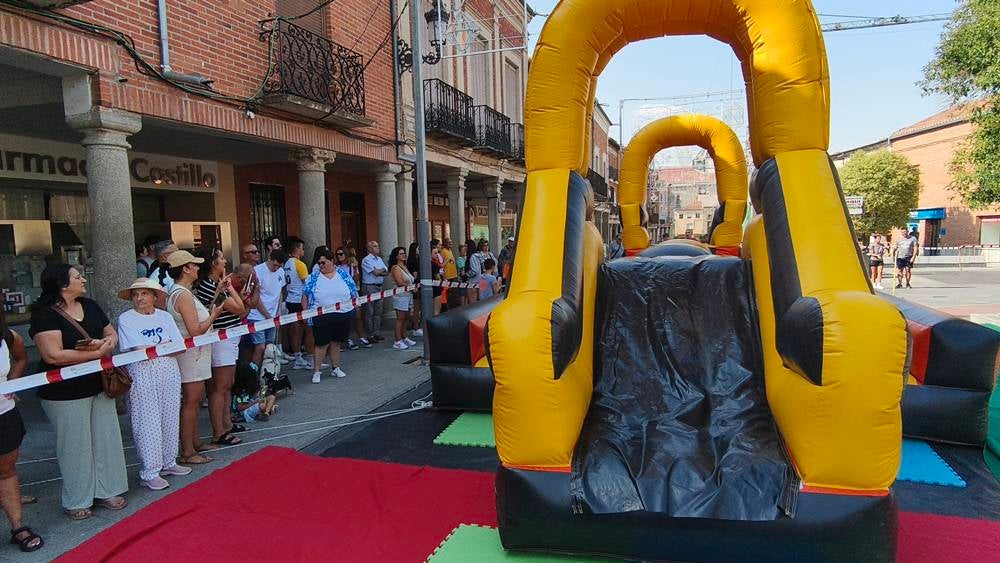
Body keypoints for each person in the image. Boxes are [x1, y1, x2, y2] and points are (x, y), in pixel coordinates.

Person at [29, 264, 127, 520]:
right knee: (75, 446)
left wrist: (106, 343)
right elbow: (52, 354)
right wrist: (95, 353)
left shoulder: (91, 305)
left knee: (106, 438)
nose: (83, 279)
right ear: (62, 284)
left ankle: (109, 489)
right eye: (77, 276)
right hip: (64, 391)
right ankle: (77, 498)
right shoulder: (44, 314)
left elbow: (111, 332)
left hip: (99, 384)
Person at [116, 278, 193, 491]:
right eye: (136, 294)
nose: (140, 298)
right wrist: (163, 346)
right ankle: (149, 470)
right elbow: (138, 350)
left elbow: (179, 346)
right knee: (147, 419)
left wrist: (159, 347)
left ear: (154, 296)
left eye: (144, 293)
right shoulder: (126, 319)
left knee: (169, 414)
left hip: (169, 369)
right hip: (142, 372)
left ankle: (169, 461)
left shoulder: (165, 317)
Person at [164, 250, 228, 464]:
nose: (198, 268)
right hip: (192, 354)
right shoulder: (181, 294)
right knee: (191, 401)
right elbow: (196, 330)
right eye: (194, 265)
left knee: (195, 399)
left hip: (195, 354)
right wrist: (215, 315)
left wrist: (215, 298)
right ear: (185, 268)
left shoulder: (181, 292)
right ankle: (188, 451)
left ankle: (195, 442)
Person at [0, 307, 43, 551]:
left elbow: (21, 358)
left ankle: (17, 527)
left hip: (4, 413)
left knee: (6, 469)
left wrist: (12, 384)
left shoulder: (8, 337)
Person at [194, 248, 247, 445]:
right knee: (220, 386)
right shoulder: (209, 286)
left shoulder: (215, 284)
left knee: (227, 384)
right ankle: (219, 431)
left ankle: (227, 424)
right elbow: (240, 308)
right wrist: (230, 287)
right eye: (221, 259)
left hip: (230, 337)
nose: (225, 261)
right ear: (213, 264)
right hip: (220, 338)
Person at [302, 248, 356, 383]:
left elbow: (353, 290)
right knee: (321, 344)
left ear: (332, 261)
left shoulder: (343, 274)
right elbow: (305, 296)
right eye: (319, 263)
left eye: (324, 263)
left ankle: (336, 368)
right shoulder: (313, 277)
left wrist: (355, 304)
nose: (321, 265)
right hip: (321, 316)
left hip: (343, 313)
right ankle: (317, 371)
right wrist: (305, 313)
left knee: (336, 342)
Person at [248, 249, 288, 371]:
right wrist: (267, 315)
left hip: (273, 314)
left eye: (279, 266)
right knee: (260, 346)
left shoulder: (280, 272)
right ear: (269, 259)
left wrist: (278, 311)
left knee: (270, 347)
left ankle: (268, 373)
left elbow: (280, 291)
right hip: (257, 315)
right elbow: (256, 297)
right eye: (274, 265)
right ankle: (253, 374)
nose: (276, 268)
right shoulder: (258, 271)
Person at [282, 238, 310, 369]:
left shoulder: (286, 263)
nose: (303, 251)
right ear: (297, 248)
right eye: (302, 248)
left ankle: (297, 355)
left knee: (294, 329)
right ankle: (302, 357)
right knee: (302, 329)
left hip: (290, 300)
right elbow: (307, 283)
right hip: (299, 300)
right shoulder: (300, 264)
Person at [335, 247, 366, 350]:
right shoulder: (336, 268)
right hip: (342, 295)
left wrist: (356, 268)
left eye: (341, 254)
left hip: (353, 293)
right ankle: (347, 339)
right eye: (337, 254)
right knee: (345, 318)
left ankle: (361, 337)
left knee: (358, 316)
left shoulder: (351, 266)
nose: (339, 256)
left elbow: (356, 280)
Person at [388, 246, 417, 350]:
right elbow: (400, 282)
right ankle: (397, 340)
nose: (404, 255)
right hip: (400, 296)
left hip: (408, 295)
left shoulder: (405, 266)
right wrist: (411, 288)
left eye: (404, 253)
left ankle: (404, 337)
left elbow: (409, 280)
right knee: (400, 318)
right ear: (396, 256)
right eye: (401, 253)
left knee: (406, 318)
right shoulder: (395, 268)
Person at [360, 241, 388, 344]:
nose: (378, 248)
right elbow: (375, 273)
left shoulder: (379, 259)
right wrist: (380, 270)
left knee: (378, 311)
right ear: (369, 248)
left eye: (378, 245)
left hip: (379, 287)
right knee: (369, 311)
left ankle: (376, 332)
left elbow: (386, 272)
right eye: (375, 246)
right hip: (369, 287)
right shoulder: (366, 260)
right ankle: (369, 334)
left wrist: (379, 270)